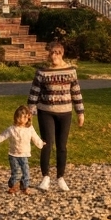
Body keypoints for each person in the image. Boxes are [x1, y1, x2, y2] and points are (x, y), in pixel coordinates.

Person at [29, 40, 84, 191]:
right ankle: (45, 177)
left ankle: (60, 177)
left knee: (62, 146)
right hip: (46, 111)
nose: (53, 57)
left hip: (65, 112)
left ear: (61, 53)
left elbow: (76, 92)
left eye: (56, 53)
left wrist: (80, 112)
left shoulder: (71, 71)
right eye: (51, 53)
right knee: (47, 143)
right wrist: (30, 112)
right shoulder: (42, 72)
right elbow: (34, 93)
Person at [0, 105, 47, 194]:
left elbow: (35, 137)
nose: (23, 119)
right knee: (16, 172)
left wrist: (40, 144)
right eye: (21, 117)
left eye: (25, 117)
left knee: (26, 172)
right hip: (13, 155)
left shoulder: (29, 129)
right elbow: (2, 136)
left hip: (24, 154)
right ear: (16, 117)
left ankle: (25, 187)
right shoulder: (12, 129)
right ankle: (13, 185)